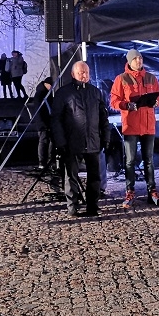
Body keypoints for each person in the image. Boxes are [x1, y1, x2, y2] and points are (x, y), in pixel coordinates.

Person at [50, 61, 110, 217]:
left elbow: (103, 118)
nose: (84, 75)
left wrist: (106, 138)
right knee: (71, 176)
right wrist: (60, 141)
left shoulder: (95, 92)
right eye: (81, 72)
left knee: (94, 176)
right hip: (72, 142)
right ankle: (72, 205)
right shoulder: (64, 93)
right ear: (73, 74)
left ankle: (93, 206)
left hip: (93, 141)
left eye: (87, 72)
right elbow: (56, 119)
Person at [109, 49, 159, 209]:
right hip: (131, 125)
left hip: (148, 125)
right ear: (129, 61)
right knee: (130, 161)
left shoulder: (151, 77)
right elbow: (113, 101)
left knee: (149, 161)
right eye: (136, 59)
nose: (139, 61)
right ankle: (130, 191)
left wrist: (156, 102)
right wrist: (126, 105)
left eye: (140, 58)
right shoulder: (121, 79)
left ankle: (152, 192)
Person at [31, 77, 54, 170]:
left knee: (51, 142)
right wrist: (42, 123)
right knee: (43, 142)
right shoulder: (40, 95)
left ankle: (50, 161)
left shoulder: (47, 94)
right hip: (43, 123)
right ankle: (42, 162)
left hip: (48, 122)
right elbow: (38, 111)